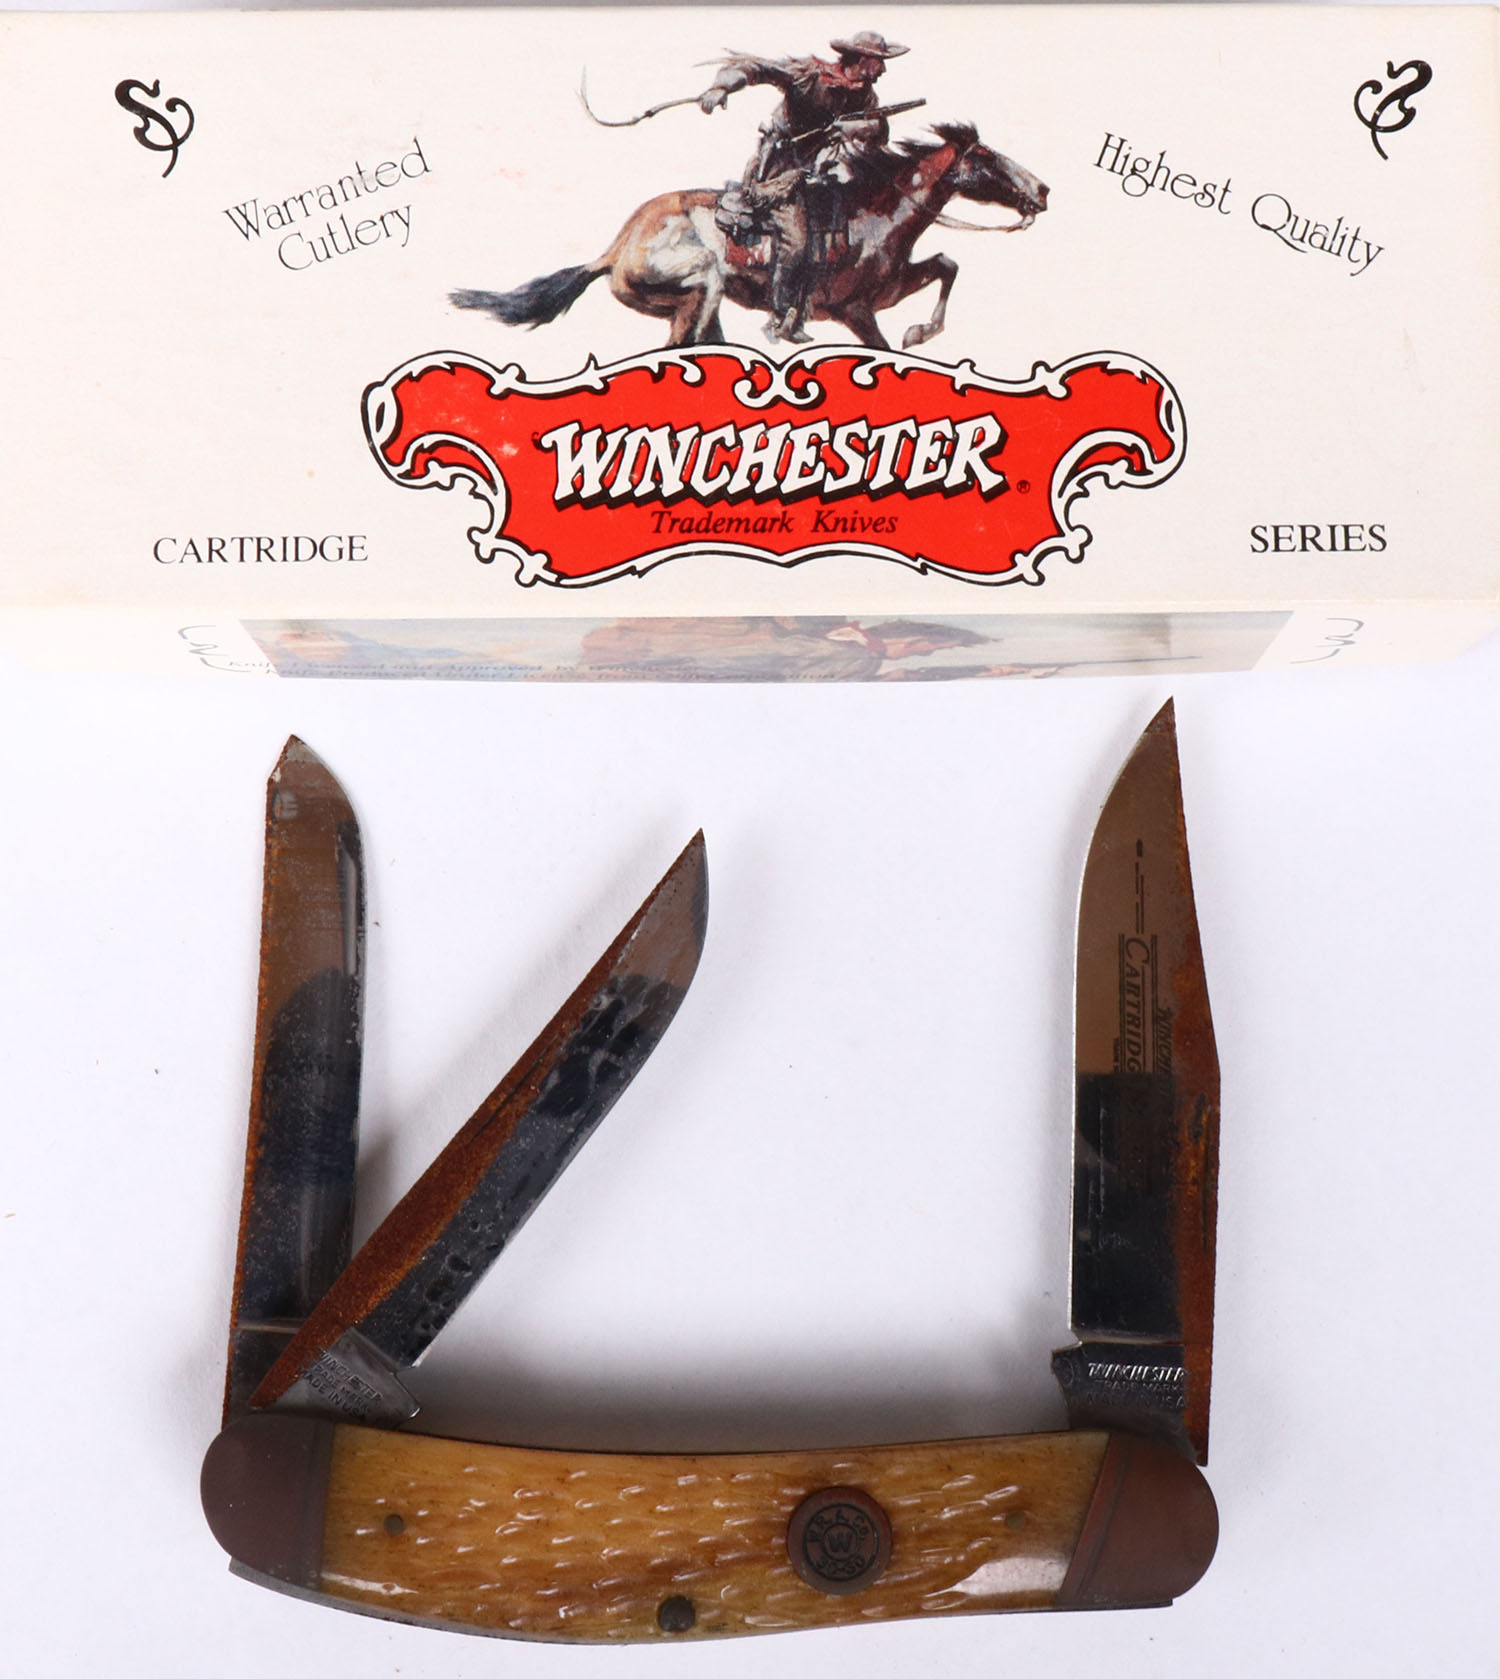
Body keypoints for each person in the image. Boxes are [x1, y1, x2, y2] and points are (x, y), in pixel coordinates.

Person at [698, 32, 908, 342]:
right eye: (879, 62)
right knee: (796, 240)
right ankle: (782, 314)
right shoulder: (809, 75)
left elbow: (879, 133)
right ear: (862, 60)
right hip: (780, 175)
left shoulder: (865, 96)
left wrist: (864, 126)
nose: (883, 70)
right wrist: (721, 87)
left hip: (820, 175)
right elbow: (755, 68)